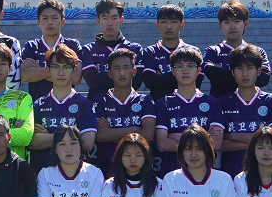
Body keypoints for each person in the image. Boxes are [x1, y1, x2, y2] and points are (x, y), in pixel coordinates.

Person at [153, 46, 224, 177]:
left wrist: (174, 136)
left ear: (198, 71)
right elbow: (162, 144)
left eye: (190, 66)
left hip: (206, 174)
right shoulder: (162, 103)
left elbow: (217, 143)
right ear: (173, 71)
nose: (185, 71)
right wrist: (205, 137)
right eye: (180, 66)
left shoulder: (212, 103)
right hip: (173, 174)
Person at [30, 44, 97, 172]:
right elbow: (33, 142)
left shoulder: (85, 105)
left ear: (74, 70)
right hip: (44, 173)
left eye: (66, 67)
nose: (61, 73)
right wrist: (74, 136)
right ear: (48, 70)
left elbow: (87, 143)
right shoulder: (38, 104)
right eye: (55, 67)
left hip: (76, 175)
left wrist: (49, 136)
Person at [91, 49, 156, 178]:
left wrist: (111, 132)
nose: (122, 73)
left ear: (134, 71)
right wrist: (135, 130)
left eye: (126, 68)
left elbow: (148, 134)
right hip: (108, 169)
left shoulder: (145, 100)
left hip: (140, 171)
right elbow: (99, 135)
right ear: (109, 73)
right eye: (117, 68)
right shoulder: (100, 99)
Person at [218, 45, 272, 178]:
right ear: (232, 72)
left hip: (264, 175)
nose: (245, 73)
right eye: (240, 68)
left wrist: (232, 136)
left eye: (250, 68)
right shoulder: (222, 103)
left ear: (259, 71)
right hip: (231, 172)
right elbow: (219, 144)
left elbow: (271, 140)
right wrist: (258, 142)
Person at [201, 0, 270, 99]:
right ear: (220, 26)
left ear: (245, 24)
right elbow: (212, 74)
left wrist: (222, 76)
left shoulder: (258, 52)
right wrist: (249, 78)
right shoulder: (212, 51)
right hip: (220, 106)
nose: (232, 26)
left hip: (252, 105)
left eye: (237, 21)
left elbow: (263, 79)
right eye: (227, 22)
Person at [80, 0, 145, 100]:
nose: (110, 23)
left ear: (121, 20)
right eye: (105, 18)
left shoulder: (135, 49)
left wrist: (101, 76)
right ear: (98, 21)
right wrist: (124, 76)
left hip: (127, 105)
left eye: (114, 18)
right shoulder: (88, 50)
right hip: (97, 105)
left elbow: (136, 82)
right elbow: (92, 81)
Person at [20, 0, 83, 100]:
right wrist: (63, 73)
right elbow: (25, 76)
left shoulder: (72, 45)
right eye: (45, 18)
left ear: (62, 22)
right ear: (38, 22)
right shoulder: (31, 46)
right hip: (38, 105)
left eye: (54, 18)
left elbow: (76, 78)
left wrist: (38, 70)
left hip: (67, 104)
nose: (49, 22)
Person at [141, 4, 201, 102]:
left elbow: (197, 82)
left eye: (174, 22)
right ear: (157, 25)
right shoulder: (150, 52)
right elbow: (150, 82)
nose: (168, 26)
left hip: (188, 105)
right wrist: (182, 76)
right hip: (159, 106)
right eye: (164, 22)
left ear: (182, 24)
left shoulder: (194, 51)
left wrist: (161, 77)